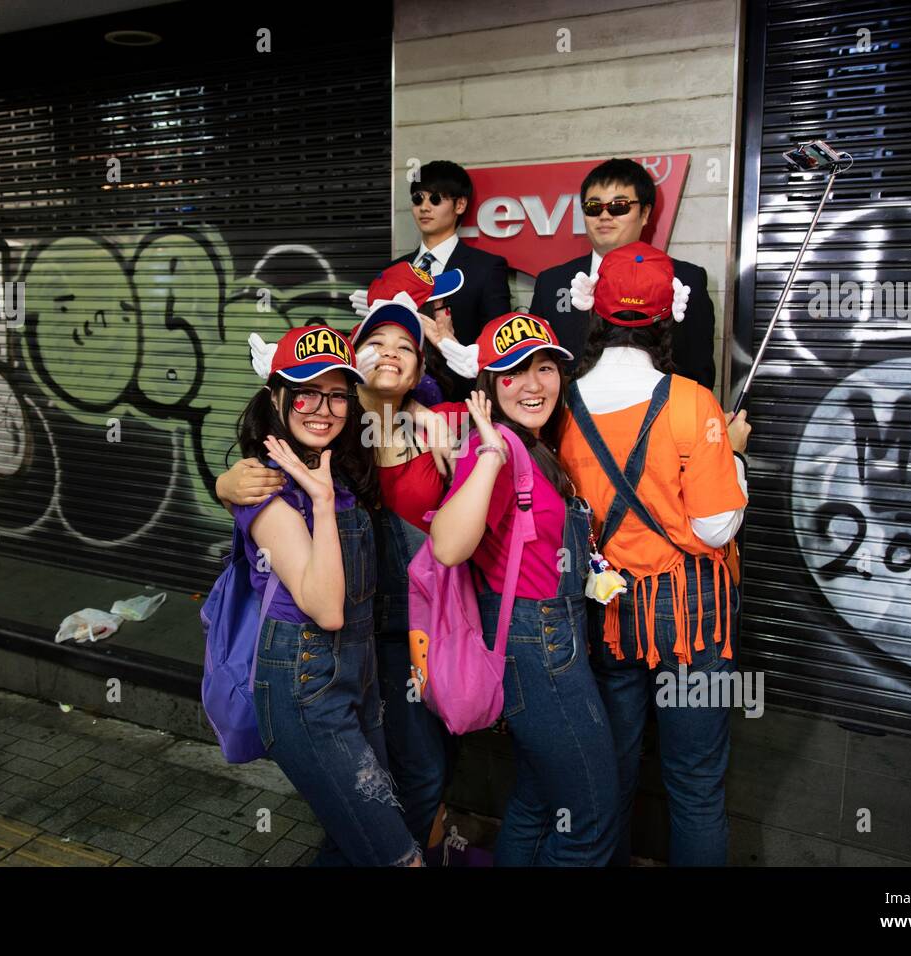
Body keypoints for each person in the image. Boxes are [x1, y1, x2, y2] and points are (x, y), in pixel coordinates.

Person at [218, 285, 468, 858]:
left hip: (389, 652)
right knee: (382, 827)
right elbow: (317, 594)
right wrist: (229, 485)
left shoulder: (368, 443)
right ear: (277, 397)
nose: (321, 408)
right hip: (319, 664)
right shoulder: (279, 473)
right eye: (304, 395)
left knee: (379, 810)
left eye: (334, 395)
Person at [556, 242, 751, 866]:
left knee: (609, 774)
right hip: (694, 619)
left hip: (608, 612)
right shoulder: (693, 402)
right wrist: (736, 455)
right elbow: (718, 526)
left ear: (596, 315)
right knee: (694, 783)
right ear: (668, 318)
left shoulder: (560, 404)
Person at [429, 311, 619, 866]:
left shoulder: (534, 444)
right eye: (512, 373)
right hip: (536, 648)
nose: (533, 385)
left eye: (544, 368)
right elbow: (447, 546)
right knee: (592, 819)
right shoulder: (496, 449)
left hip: (554, 639)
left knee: (539, 801)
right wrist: (487, 452)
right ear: (487, 386)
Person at [529, 158, 716, 389]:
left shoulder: (686, 279)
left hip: (657, 417)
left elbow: (698, 372)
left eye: (619, 206)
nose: (604, 216)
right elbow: (535, 363)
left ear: (645, 213)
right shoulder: (551, 282)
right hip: (570, 418)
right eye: (593, 207)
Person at [385, 160, 512, 398]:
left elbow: (498, 345)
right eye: (418, 199)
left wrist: (453, 345)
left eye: (435, 199)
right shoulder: (395, 269)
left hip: (461, 399)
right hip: (396, 400)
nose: (424, 207)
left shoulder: (486, 268)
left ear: (460, 204)